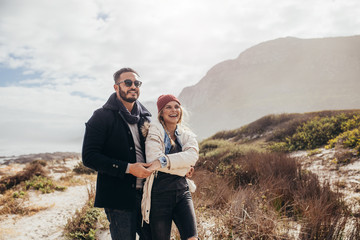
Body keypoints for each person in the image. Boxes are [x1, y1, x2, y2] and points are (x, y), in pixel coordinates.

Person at [82, 67, 153, 240]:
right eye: (128, 83)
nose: (133, 86)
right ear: (116, 87)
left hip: (148, 195)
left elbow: (158, 151)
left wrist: (182, 168)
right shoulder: (101, 116)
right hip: (118, 198)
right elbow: (89, 157)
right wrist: (128, 168)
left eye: (137, 83)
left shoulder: (146, 118)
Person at [141, 94, 199, 240]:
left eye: (176, 106)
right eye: (168, 107)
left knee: (192, 238)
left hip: (182, 192)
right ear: (161, 112)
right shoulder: (154, 130)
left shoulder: (186, 134)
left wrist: (163, 162)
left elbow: (192, 156)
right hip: (159, 196)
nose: (174, 110)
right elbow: (153, 159)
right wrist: (184, 168)